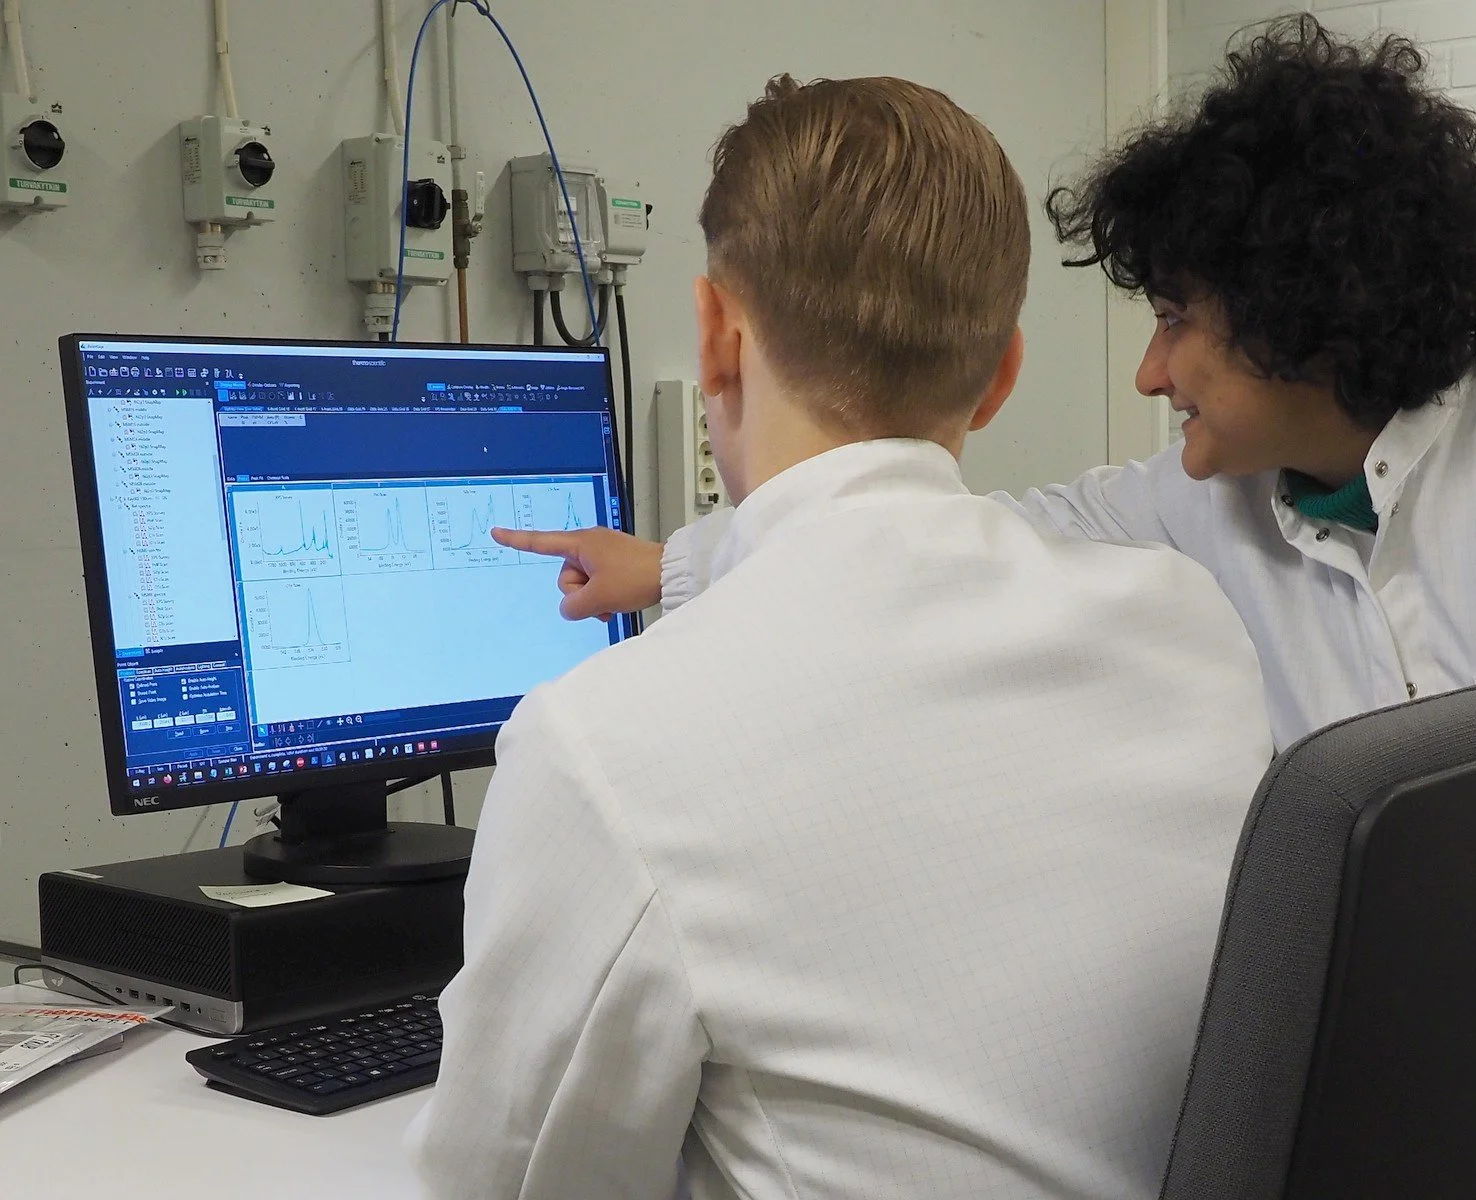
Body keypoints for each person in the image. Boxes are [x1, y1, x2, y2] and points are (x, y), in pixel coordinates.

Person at [407, 74, 1273, 1200]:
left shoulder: (601, 746)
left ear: (716, 336)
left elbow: (503, 1183)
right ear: (1001, 378)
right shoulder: (1189, 625)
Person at [519, 15, 1476, 751]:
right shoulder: (1194, 508)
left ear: (1303, 306)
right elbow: (937, 535)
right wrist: (672, 566)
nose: (1148, 375)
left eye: (1173, 321)